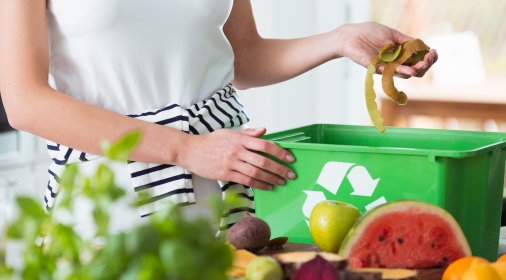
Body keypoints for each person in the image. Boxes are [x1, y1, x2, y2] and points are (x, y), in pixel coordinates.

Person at [0, 0, 437, 237]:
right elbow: (25, 99)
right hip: (110, 200)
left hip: (226, 190)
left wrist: (341, 39)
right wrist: (185, 149)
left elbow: (243, 57)